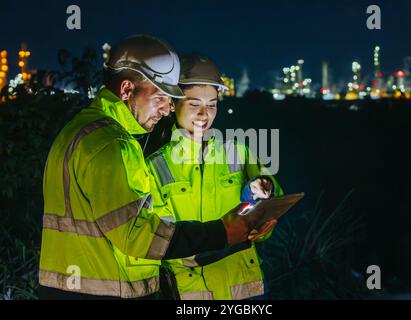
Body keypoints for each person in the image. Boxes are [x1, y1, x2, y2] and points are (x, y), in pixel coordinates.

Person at [38, 35, 269, 300]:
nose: (167, 108)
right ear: (127, 90)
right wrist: (222, 233)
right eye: (161, 97)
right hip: (103, 290)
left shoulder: (84, 131)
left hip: (77, 287)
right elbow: (137, 234)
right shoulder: (112, 144)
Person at [143, 54, 283, 300]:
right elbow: (157, 241)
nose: (204, 114)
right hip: (190, 294)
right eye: (194, 104)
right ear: (173, 103)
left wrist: (260, 192)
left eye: (212, 104)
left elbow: (271, 216)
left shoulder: (238, 152)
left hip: (246, 291)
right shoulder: (155, 166)